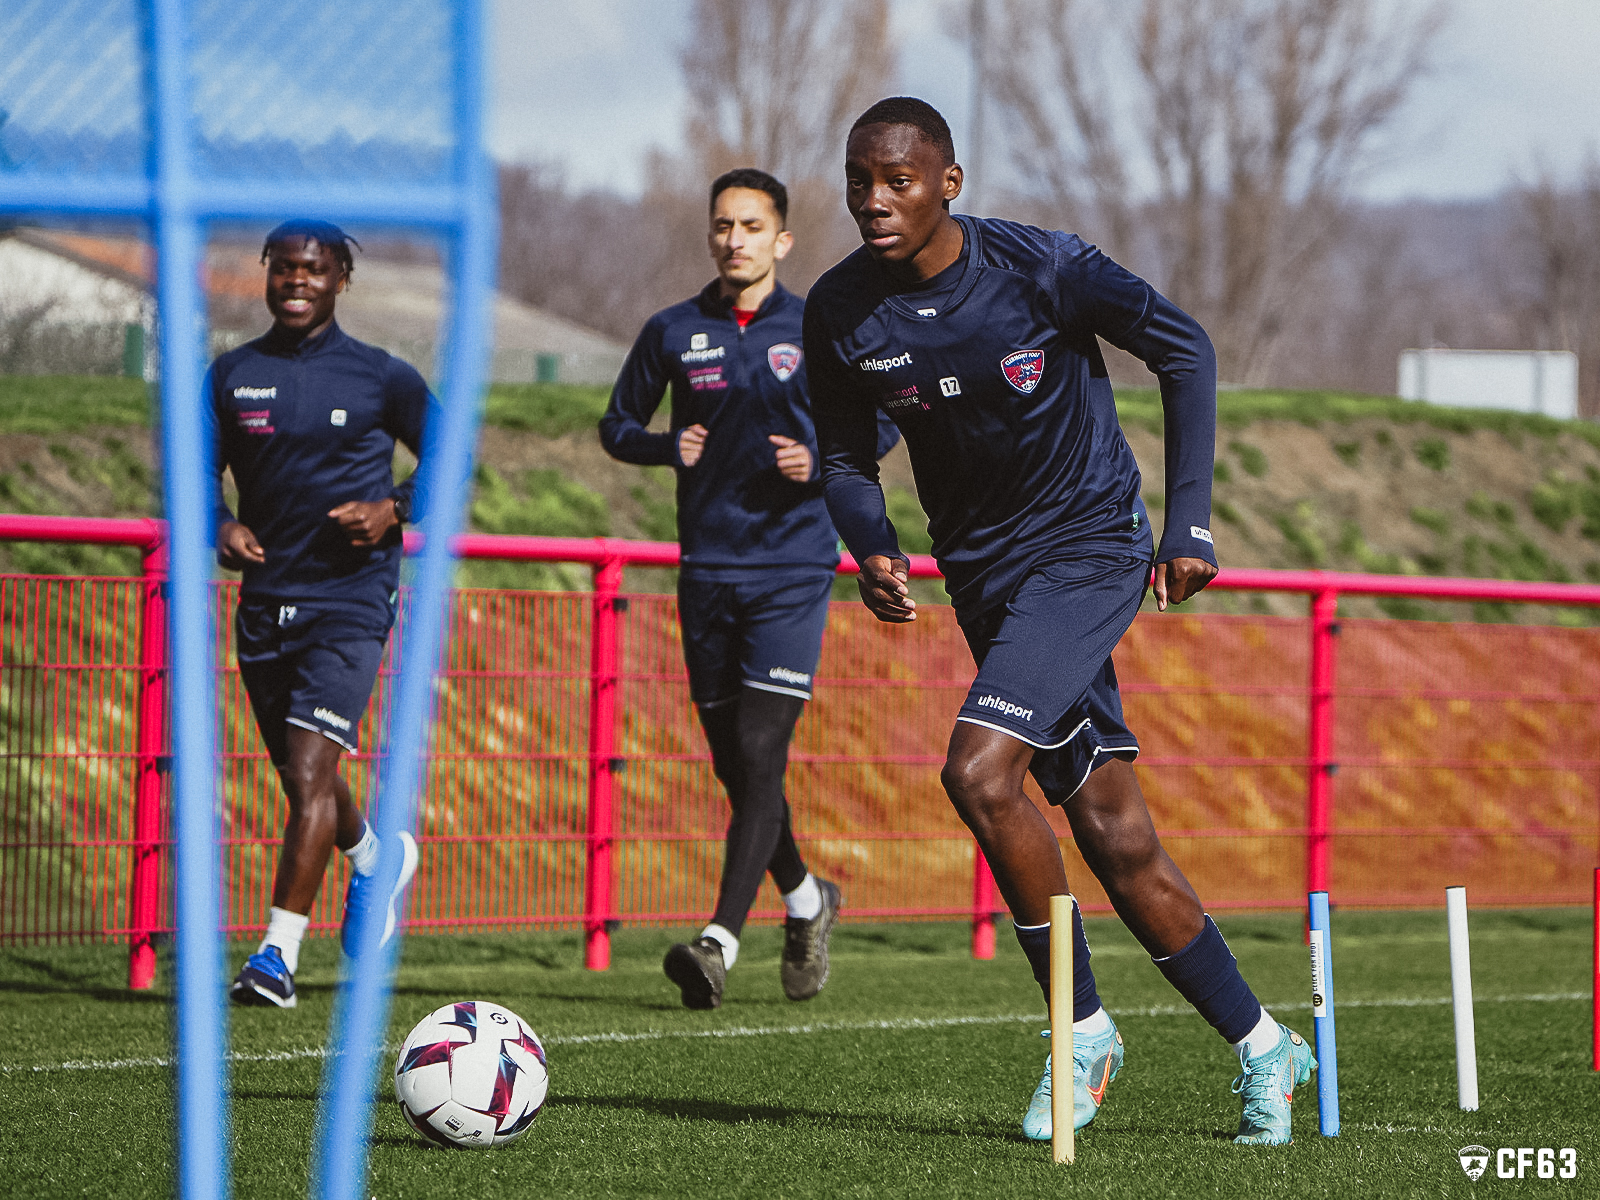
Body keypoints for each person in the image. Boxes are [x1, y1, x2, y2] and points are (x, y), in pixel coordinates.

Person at [804, 98, 1316, 1146]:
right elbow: (847, 460)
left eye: (897, 180)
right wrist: (873, 544)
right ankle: (1267, 1046)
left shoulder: (1042, 267)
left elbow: (1185, 349)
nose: (873, 201)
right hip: (988, 583)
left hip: (1089, 550)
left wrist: (1192, 523)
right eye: (858, 181)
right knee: (1112, 831)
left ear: (949, 182)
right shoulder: (840, 310)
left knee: (978, 772)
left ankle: (1077, 1031)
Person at [601, 168, 890, 1010]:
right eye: (724, 226)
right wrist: (666, 449)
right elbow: (617, 425)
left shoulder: (818, 326)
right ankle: (807, 898)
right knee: (739, 766)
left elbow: (885, 420)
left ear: (782, 240)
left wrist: (821, 467)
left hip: (794, 571)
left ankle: (719, 940)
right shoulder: (672, 330)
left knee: (763, 752)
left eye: (752, 226)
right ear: (712, 236)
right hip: (707, 573)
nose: (736, 239)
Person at [211, 219, 434, 1008]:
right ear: (266, 275)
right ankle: (373, 860)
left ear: (342, 279)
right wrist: (220, 524)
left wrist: (394, 509)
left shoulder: (381, 376)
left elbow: (452, 449)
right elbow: (196, 474)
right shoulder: (232, 375)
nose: (297, 281)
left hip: (351, 600)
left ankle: (275, 956)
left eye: (315, 269)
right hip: (266, 605)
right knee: (305, 777)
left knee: (310, 771)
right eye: (284, 269)